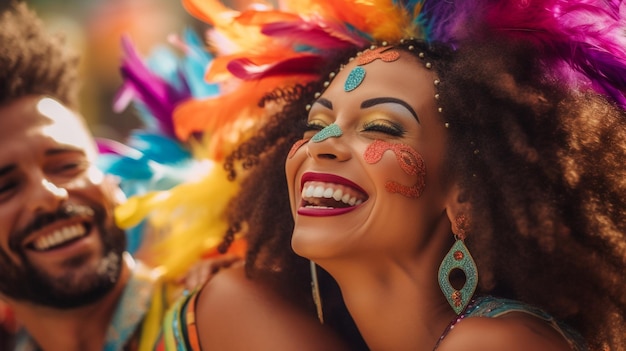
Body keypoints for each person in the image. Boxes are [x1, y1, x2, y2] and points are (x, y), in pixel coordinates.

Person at [179, 0, 626, 350]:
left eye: (381, 127)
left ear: (464, 194)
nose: (322, 144)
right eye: (316, 125)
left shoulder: (497, 341)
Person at [0, 2, 355, 350]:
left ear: (107, 177)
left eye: (67, 165)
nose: (50, 195)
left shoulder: (214, 314)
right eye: (6, 187)